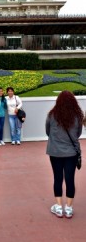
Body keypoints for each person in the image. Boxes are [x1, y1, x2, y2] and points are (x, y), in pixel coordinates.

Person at [46, 90, 84, 218]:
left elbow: (48, 131)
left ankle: (58, 207)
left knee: (57, 178)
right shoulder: (77, 116)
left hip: (55, 151)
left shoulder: (51, 115)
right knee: (70, 179)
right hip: (71, 153)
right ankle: (68, 208)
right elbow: (78, 134)